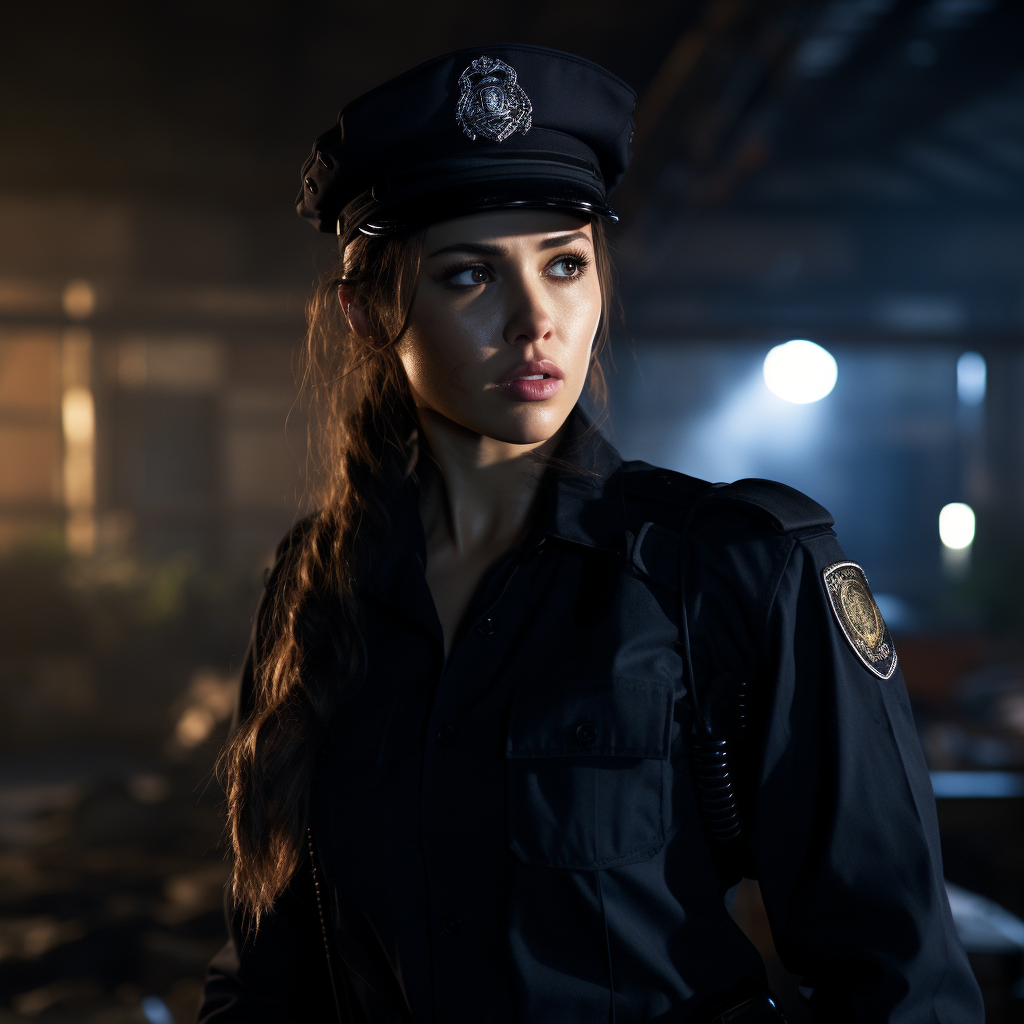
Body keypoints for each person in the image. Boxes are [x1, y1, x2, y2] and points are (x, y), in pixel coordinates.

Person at [198, 45, 984, 1024]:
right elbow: (271, 970)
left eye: (564, 264)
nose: (536, 321)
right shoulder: (316, 586)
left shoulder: (732, 568)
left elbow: (900, 981)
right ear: (369, 311)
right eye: (468, 275)